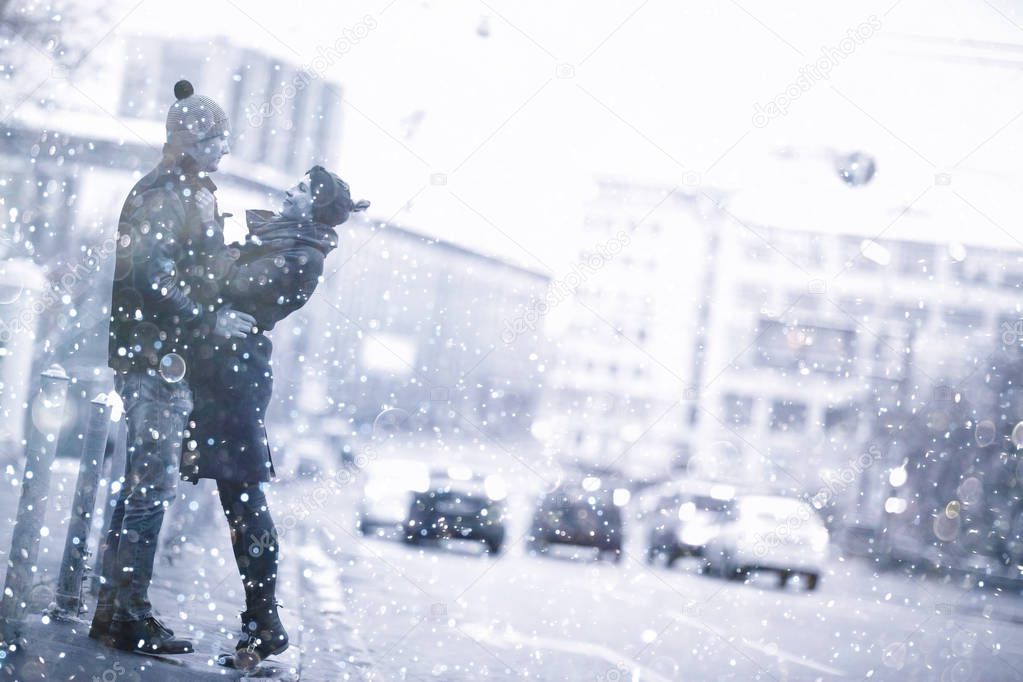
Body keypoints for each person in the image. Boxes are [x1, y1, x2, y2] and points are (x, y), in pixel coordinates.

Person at [91, 80, 255, 655]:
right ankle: (126, 615)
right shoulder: (167, 191)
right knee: (150, 491)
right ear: (190, 139)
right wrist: (208, 318)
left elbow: (176, 267)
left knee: (142, 487)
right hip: (155, 362)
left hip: (158, 358)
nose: (225, 149)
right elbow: (152, 275)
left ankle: (114, 608)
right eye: (218, 137)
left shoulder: (181, 189)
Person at [182, 166, 368, 670]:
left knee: (243, 502)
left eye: (303, 189)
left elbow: (232, 282)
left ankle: (264, 623)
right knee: (238, 503)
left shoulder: (301, 257)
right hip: (219, 374)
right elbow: (223, 282)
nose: (290, 190)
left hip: (235, 384)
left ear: (314, 206)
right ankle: (262, 622)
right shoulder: (282, 242)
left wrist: (215, 247)